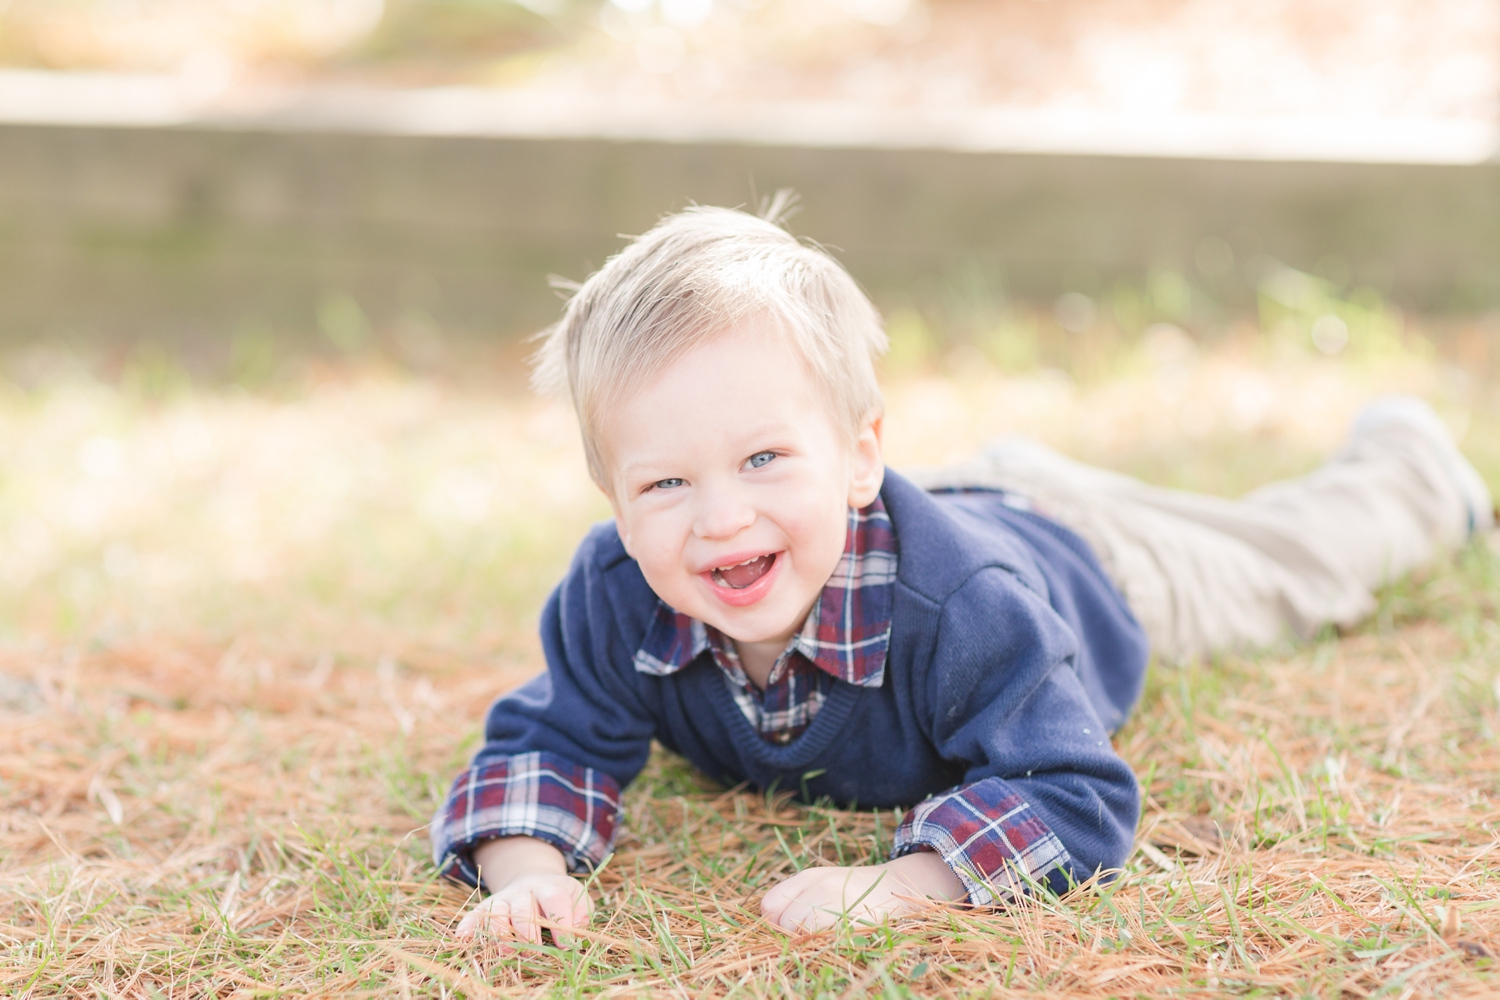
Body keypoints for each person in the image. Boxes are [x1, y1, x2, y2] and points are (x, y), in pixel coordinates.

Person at [430, 200, 1494, 945]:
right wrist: (529, 881)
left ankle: (1410, 472)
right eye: (664, 483)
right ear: (614, 500)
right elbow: (550, 739)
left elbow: (1073, 787)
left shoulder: (964, 612)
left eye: (762, 458)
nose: (720, 517)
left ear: (857, 454)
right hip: (937, 504)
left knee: (1294, 564)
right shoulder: (615, 594)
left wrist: (905, 882)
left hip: (1088, 564)